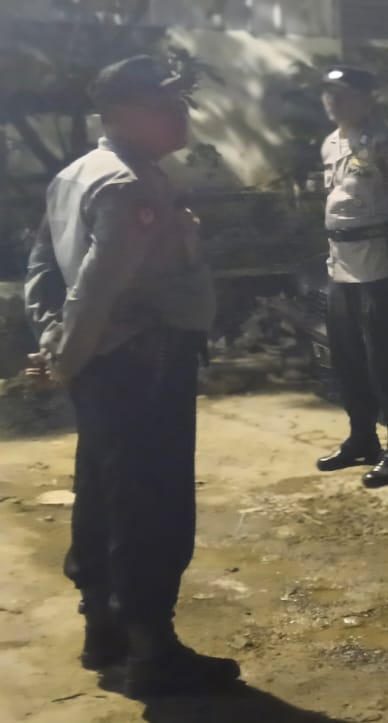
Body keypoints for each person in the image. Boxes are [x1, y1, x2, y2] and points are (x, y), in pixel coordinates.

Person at [23, 55, 240, 698]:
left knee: (103, 491)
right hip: (144, 364)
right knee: (151, 502)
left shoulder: (77, 174)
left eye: (180, 103)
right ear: (119, 114)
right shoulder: (128, 186)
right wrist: (65, 360)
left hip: (104, 363)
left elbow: (42, 272)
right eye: (162, 105)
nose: (179, 115)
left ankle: (105, 632)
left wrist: (56, 345)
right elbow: (94, 290)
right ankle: (152, 651)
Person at [312, 65, 388, 488]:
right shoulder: (330, 144)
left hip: (377, 264)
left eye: (342, 94)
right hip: (339, 264)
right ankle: (361, 436)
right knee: (347, 358)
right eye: (328, 93)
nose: (333, 101)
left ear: (366, 99)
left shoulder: (385, 144)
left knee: (385, 361)